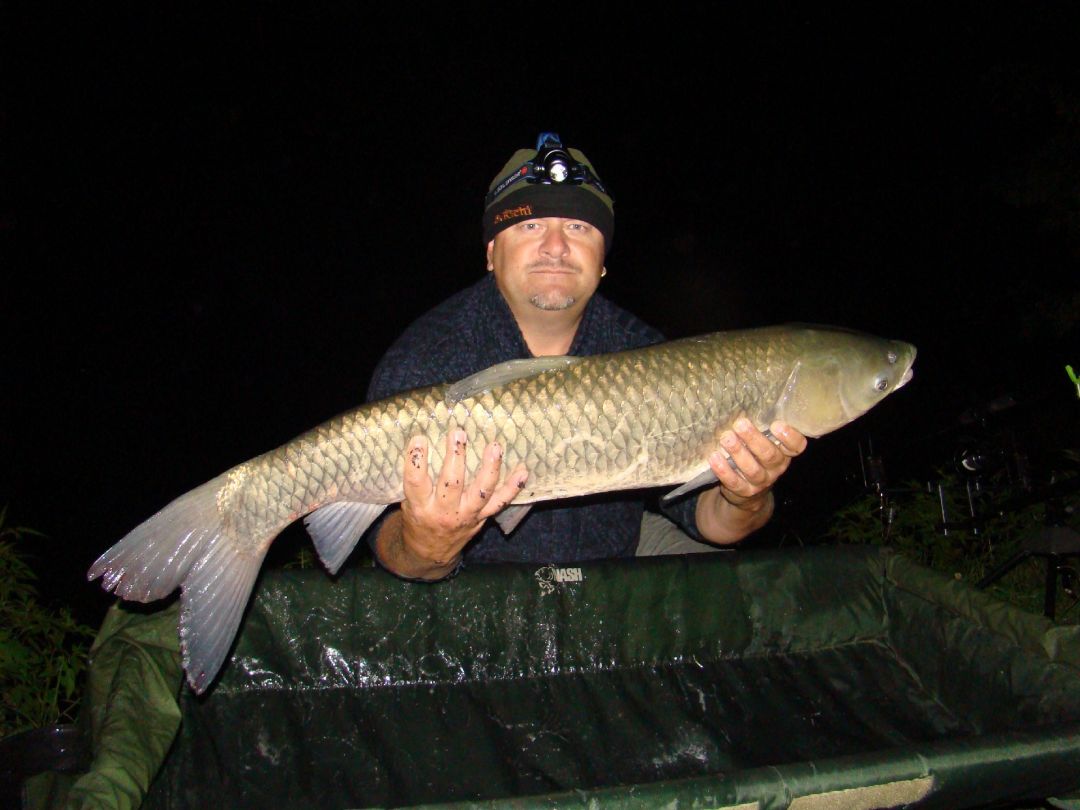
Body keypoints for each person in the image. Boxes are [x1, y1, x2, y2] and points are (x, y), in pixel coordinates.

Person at [367, 133, 807, 582]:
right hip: (472, 581)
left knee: (732, 587)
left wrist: (746, 497)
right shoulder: (425, 360)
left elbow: (714, 524)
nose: (555, 247)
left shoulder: (647, 356)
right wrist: (427, 546)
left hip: (612, 564)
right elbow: (392, 550)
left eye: (578, 227)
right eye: (530, 224)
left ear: (602, 260)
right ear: (491, 251)